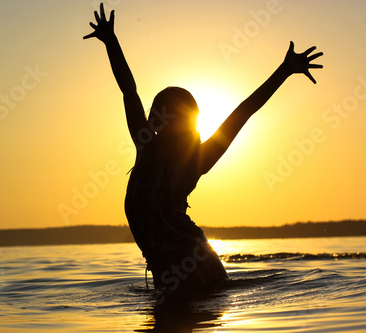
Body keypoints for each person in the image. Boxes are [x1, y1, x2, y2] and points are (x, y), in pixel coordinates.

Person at [84, 3, 323, 296]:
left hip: (195, 268)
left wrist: (284, 71)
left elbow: (242, 112)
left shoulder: (196, 161)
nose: (153, 117)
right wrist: (111, 42)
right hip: (167, 271)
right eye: (154, 111)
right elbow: (128, 90)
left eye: (163, 112)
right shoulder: (146, 144)